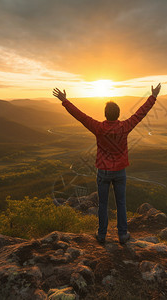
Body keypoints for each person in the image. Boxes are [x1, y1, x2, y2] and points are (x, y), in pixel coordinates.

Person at [53, 83, 161, 244]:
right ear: (118, 114)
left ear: (105, 114)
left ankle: (102, 235)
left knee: (103, 204)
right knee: (121, 203)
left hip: (103, 171)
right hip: (120, 171)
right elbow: (140, 114)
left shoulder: (98, 128)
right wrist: (153, 97)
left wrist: (65, 101)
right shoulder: (125, 127)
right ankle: (123, 235)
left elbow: (80, 116)